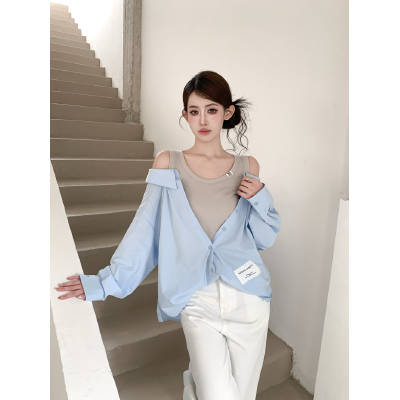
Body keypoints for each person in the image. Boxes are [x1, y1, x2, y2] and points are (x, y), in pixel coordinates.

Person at [54, 70, 281, 400]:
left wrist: (261, 198)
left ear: (227, 112)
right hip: (196, 297)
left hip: (249, 296)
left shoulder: (249, 166)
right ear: (185, 115)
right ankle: (196, 385)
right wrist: (104, 283)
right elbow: (146, 229)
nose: (203, 119)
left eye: (212, 109)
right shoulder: (168, 163)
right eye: (194, 111)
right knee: (218, 395)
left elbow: (262, 238)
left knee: (243, 395)